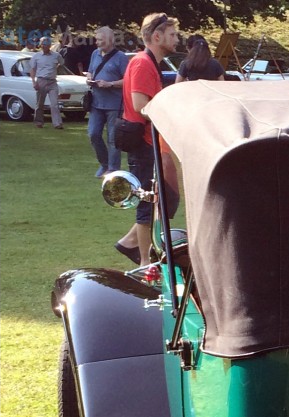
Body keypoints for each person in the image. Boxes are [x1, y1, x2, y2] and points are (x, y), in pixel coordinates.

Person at [115, 12, 181, 267]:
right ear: (157, 36)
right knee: (148, 201)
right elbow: (140, 104)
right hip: (144, 142)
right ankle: (145, 264)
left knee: (164, 198)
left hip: (152, 141)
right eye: (172, 34)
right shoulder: (143, 63)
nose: (177, 39)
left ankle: (131, 243)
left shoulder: (150, 62)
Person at [85, 26, 128, 177]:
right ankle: (104, 164)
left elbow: (128, 81)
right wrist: (90, 78)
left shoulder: (121, 57)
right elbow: (90, 70)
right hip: (96, 102)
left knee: (112, 138)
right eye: (96, 40)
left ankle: (113, 169)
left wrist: (110, 84)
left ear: (110, 40)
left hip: (114, 104)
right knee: (93, 134)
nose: (97, 43)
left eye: (100, 40)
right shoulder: (95, 54)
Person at [30, 36, 63, 129]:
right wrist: (34, 82)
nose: (44, 47)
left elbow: (61, 63)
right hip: (41, 80)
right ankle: (39, 122)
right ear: (40, 46)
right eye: (42, 45)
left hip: (52, 82)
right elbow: (32, 70)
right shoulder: (36, 56)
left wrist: (54, 68)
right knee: (40, 103)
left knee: (54, 103)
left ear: (49, 46)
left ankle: (57, 124)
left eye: (46, 45)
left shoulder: (56, 55)